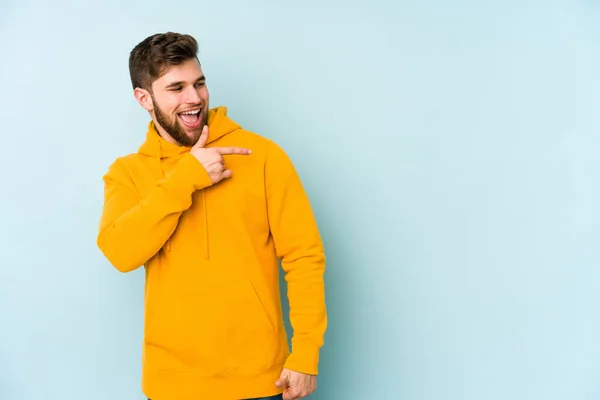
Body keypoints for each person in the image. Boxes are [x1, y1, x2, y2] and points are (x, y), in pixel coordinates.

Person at [96, 32, 327, 400]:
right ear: (144, 98)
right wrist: (185, 178)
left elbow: (304, 258)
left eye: (199, 83)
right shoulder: (127, 174)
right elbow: (120, 253)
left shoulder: (263, 157)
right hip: (172, 383)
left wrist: (306, 354)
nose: (194, 98)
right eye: (176, 88)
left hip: (261, 379)